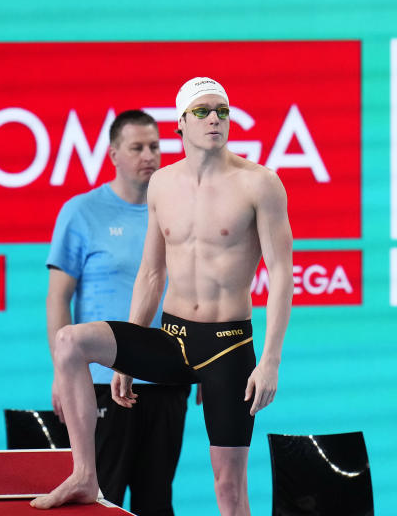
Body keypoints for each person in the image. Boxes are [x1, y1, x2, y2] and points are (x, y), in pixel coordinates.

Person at [33, 77, 294, 516]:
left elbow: (282, 274)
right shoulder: (163, 185)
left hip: (227, 345)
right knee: (69, 342)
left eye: (222, 111)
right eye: (202, 111)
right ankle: (84, 474)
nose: (214, 119)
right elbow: (152, 273)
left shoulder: (260, 184)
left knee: (229, 487)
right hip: (171, 338)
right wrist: (127, 357)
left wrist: (269, 361)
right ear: (181, 123)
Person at [46, 109, 190, 516]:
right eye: (138, 147)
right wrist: (61, 371)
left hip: (165, 380)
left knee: (157, 500)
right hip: (99, 382)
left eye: (156, 146)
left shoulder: (177, 212)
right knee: (100, 496)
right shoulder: (81, 212)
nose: (150, 155)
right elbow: (58, 298)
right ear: (113, 154)